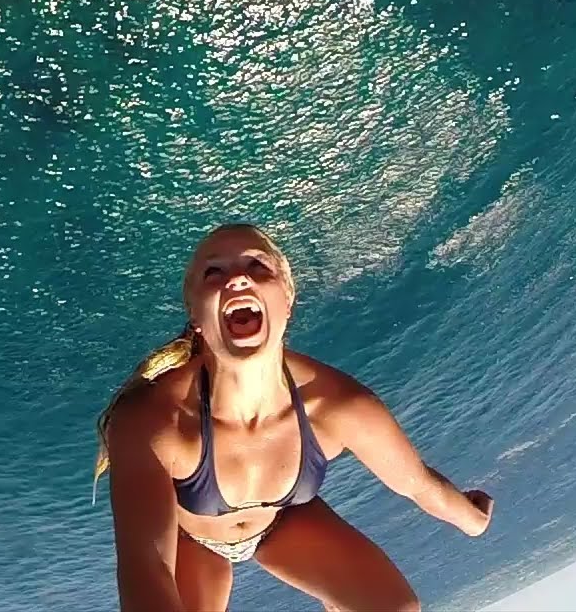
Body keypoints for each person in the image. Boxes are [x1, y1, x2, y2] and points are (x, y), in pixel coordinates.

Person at [93, 223, 494, 612]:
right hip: (191, 541)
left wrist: (471, 520)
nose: (237, 279)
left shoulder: (335, 406)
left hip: (282, 524)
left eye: (257, 266)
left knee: (397, 609)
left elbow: (417, 483)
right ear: (195, 313)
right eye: (214, 272)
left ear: (287, 299)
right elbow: (146, 568)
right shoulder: (152, 419)